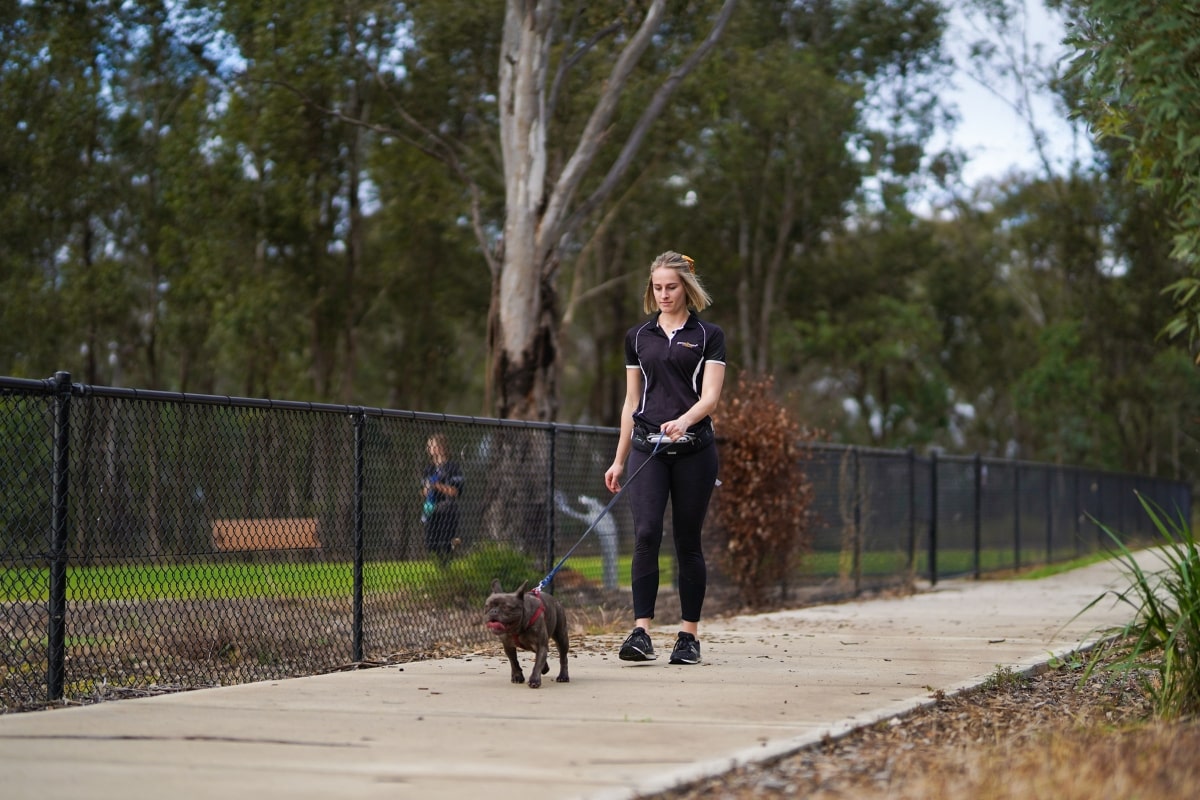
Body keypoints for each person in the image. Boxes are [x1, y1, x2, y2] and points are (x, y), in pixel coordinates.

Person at [604, 250, 726, 666]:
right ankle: (641, 632)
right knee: (646, 534)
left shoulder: (709, 335)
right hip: (646, 450)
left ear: (687, 288)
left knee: (687, 541)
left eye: (671, 287)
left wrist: (685, 420)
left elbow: (710, 398)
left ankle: (688, 637)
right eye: (657, 287)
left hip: (695, 452)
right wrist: (619, 460)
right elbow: (631, 401)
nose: (663, 294)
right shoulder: (638, 337)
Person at [421, 433, 465, 565]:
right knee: (431, 542)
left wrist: (437, 486)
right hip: (431, 508)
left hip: (447, 509)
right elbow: (423, 491)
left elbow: (455, 491)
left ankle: (447, 563)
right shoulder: (429, 469)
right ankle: (437, 565)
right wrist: (427, 489)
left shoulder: (452, 467)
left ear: (442, 447)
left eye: (433, 445)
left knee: (445, 541)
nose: (431, 448)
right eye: (429, 446)